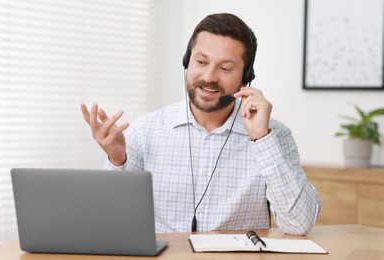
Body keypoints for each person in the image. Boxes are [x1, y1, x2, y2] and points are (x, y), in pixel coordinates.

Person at [80, 13, 320, 235]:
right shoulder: (145, 131)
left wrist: (261, 139)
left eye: (225, 68)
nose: (209, 77)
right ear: (187, 62)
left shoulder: (274, 134)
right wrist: (118, 161)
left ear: (246, 77)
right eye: (201, 62)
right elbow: (111, 222)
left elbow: (298, 224)